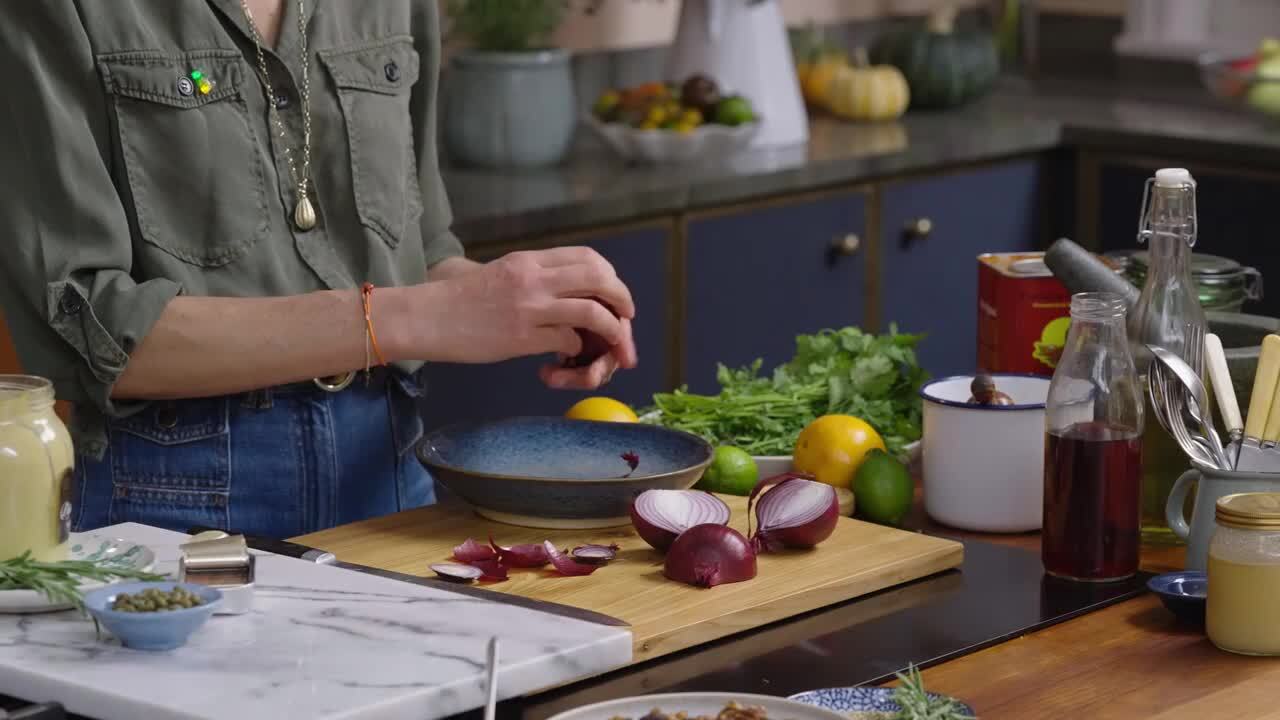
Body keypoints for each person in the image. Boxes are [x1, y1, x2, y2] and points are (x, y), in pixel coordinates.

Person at [0, 0, 638, 539]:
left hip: (388, 477)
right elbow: (90, 337)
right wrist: (417, 315)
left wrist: (532, 303)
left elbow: (420, 253)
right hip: (171, 501)